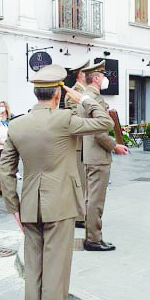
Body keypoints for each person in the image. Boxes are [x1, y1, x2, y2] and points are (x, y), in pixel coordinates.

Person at [0, 64, 113, 300]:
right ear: (58, 92)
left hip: (30, 206)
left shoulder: (17, 124)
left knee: (33, 274)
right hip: (60, 205)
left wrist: (12, 205)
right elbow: (104, 123)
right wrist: (83, 98)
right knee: (55, 277)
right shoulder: (65, 119)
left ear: (37, 92)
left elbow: (6, 168)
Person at [80, 60, 129, 251]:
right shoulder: (94, 99)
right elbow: (98, 131)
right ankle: (93, 239)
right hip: (97, 154)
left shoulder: (85, 96)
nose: (105, 78)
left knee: (90, 198)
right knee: (95, 200)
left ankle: (92, 236)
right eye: (103, 75)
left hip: (89, 153)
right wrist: (114, 146)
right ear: (98, 78)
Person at [64, 59, 90, 229]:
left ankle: (82, 213)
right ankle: (79, 216)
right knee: (80, 180)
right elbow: (75, 121)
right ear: (81, 75)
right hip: (80, 144)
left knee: (85, 181)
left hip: (86, 144)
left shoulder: (84, 92)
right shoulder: (74, 94)